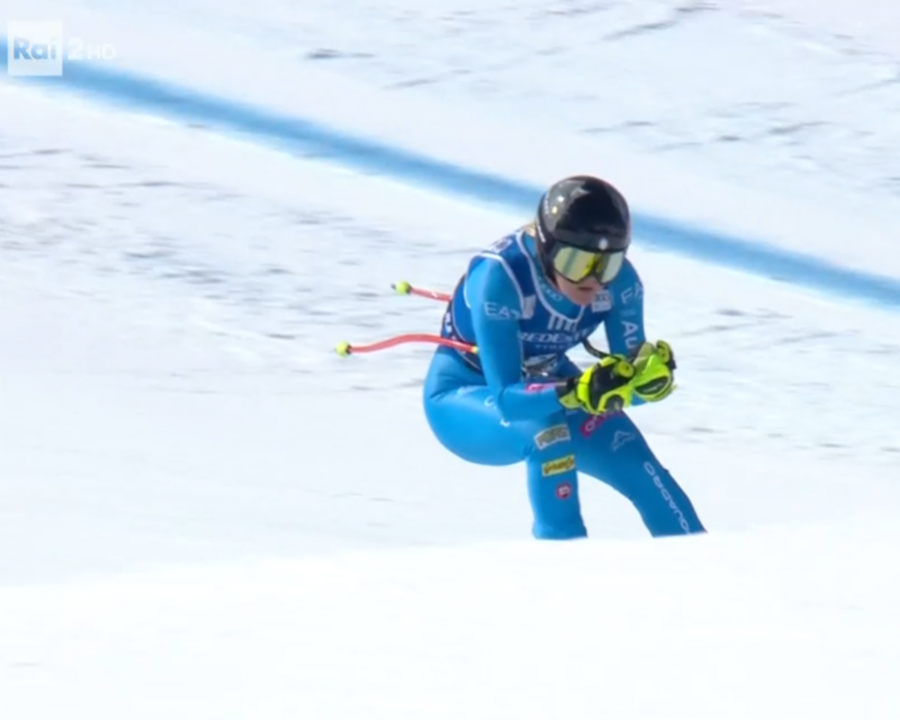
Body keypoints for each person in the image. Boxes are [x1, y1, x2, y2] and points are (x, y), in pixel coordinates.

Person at [422, 174, 706, 540]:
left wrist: (647, 384)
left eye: (607, 264)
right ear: (546, 249)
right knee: (548, 435)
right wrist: (576, 390)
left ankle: (706, 565)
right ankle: (564, 565)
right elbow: (508, 400)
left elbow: (625, 390)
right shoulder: (500, 277)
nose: (593, 279)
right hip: (465, 394)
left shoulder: (622, 284)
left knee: (639, 466)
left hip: (551, 385)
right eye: (576, 262)